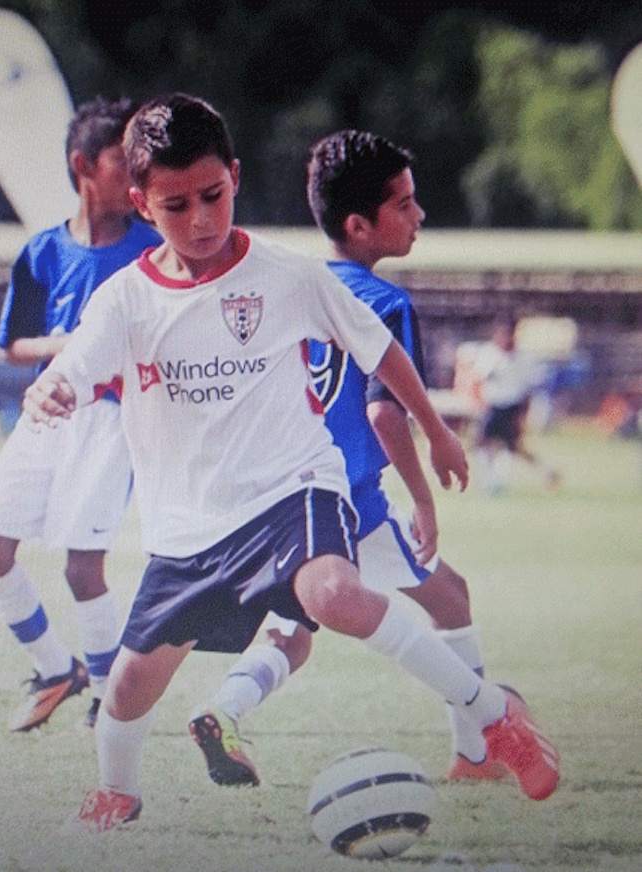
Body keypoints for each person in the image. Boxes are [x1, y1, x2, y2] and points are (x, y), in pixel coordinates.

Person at [22, 94, 559, 831]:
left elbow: (378, 348)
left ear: (235, 177)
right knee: (125, 694)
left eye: (214, 195)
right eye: (177, 205)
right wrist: (48, 392)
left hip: (291, 490)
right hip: (188, 533)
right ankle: (118, 789)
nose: (203, 218)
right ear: (143, 205)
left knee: (335, 592)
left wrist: (436, 430)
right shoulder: (125, 300)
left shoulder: (288, 275)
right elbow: (74, 368)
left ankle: (493, 716)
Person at [189, 130, 551, 789]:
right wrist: (424, 496)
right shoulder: (384, 301)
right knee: (450, 598)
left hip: (276, 499)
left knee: (290, 631)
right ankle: (476, 754)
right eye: (405, 206)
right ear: (360, 225)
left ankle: (222, 710)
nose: (419, 216)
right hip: (350, 499)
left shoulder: (289, 286)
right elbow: (385, 412)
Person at [0, 96, 162, 732]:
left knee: (83, 569)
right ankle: (57, 668)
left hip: (109, 419)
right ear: (84, 164)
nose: (135, 175)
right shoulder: (42, 252)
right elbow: (13, 346)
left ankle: (108, 698)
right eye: (120, 161)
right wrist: (69, 343)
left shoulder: (151, 251)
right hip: (46, 412)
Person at [473, 315, 561, 494]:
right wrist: (479, 405)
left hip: (512, 406)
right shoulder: (488, 353)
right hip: (492, 405)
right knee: (482, 443)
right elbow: (477, 381)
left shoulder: (523, 357)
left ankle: (497, 483)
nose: (505, 338)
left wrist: (523, 412)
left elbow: (528, 387)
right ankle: (490, 480)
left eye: (509, 333)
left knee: (510, 446)